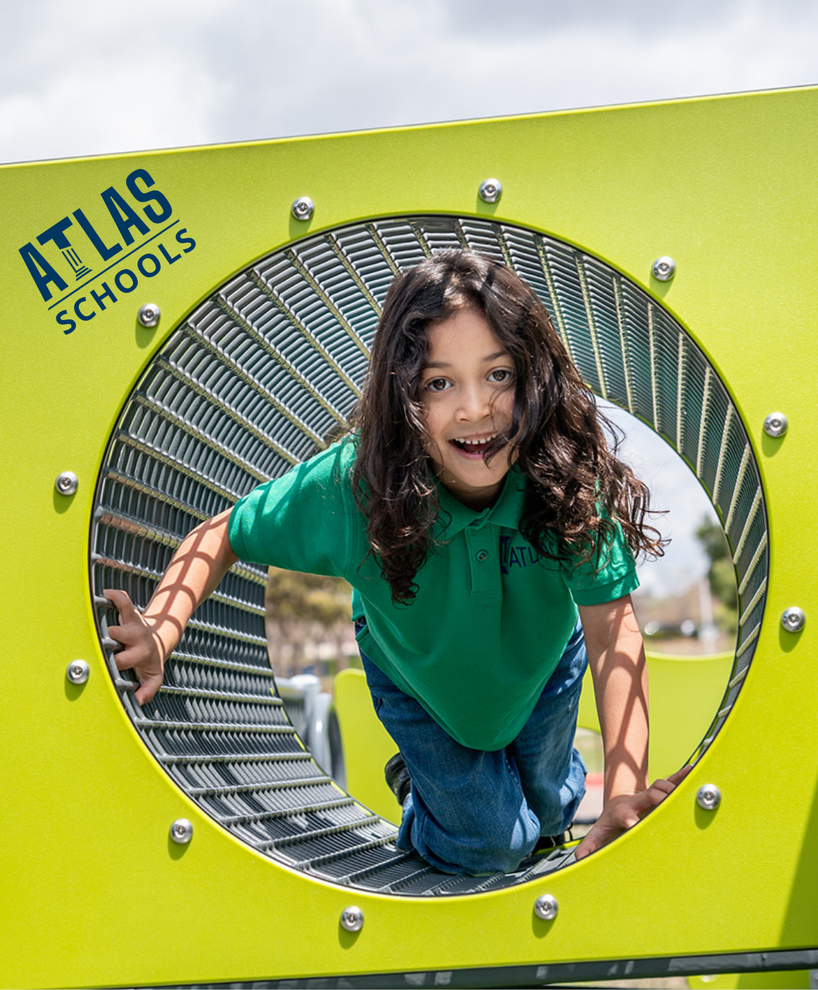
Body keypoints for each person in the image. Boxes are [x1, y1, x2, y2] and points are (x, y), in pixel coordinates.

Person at [106, 249, 687, 876]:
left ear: (533, 376)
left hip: (541, 668)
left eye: (498, 375)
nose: (474, 408)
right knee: (493, 845)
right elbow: (226, 532)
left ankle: (538, 794)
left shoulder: (560, 477)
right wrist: (163, 630)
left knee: (552, 813)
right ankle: (420, 789)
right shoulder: (358, 485)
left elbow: (610, 631)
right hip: (419, 682)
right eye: (440, 383)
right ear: (404, 395)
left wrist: (625, 791)